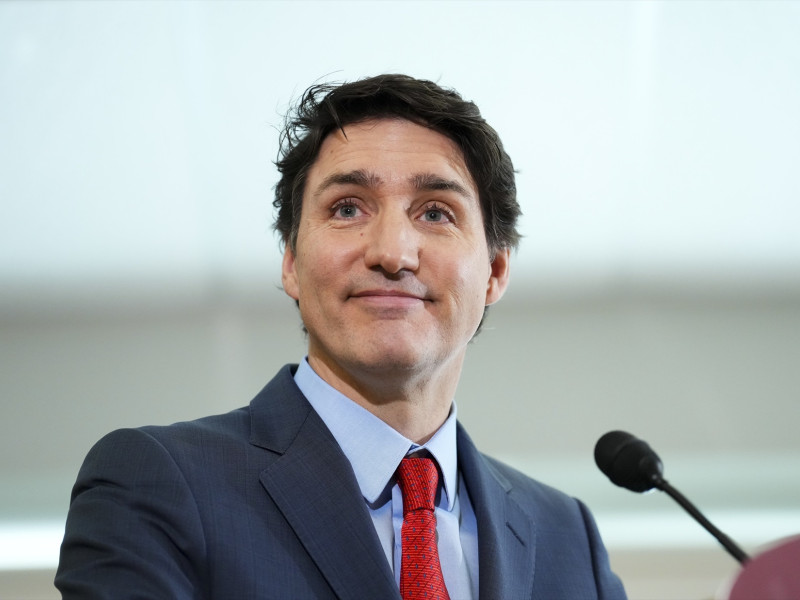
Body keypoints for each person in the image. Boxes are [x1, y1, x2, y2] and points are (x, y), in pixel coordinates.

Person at [55, 74, 626, 599]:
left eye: (435, 213)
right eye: (348, 208)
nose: (393, 253)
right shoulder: (155, 482)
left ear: (496, 272)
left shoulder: (568, 537)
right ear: (291, 264)